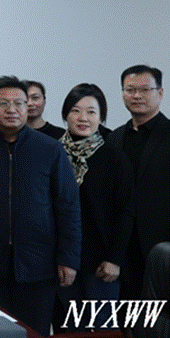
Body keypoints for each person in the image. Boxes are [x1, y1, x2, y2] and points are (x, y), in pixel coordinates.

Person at [0, 76, 80, 336]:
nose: (11, 109)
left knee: (33, 331)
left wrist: (69, 258)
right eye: (3, 103)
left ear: (28, 107)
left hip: (39, 265)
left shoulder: (50, 148)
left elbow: (68, 206)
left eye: (18, 103)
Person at [54, 84, 132, 331]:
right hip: (61, 258)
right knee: (67, 327)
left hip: (101, 262)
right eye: (75, 110)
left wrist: (114, 259)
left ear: (101, 117)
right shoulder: (53, 153)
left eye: (91, 112)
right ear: (66, 115)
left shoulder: (114, 157)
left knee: (102, 327)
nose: (83, 118)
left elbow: (125, 212)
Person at [107, 64, 169, 299]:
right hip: (121, 252)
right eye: (130, 90)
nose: (136, 96)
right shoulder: (114, 138)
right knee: (125, 316)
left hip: (162, 247)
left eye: (144, 90)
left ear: (160, 93)